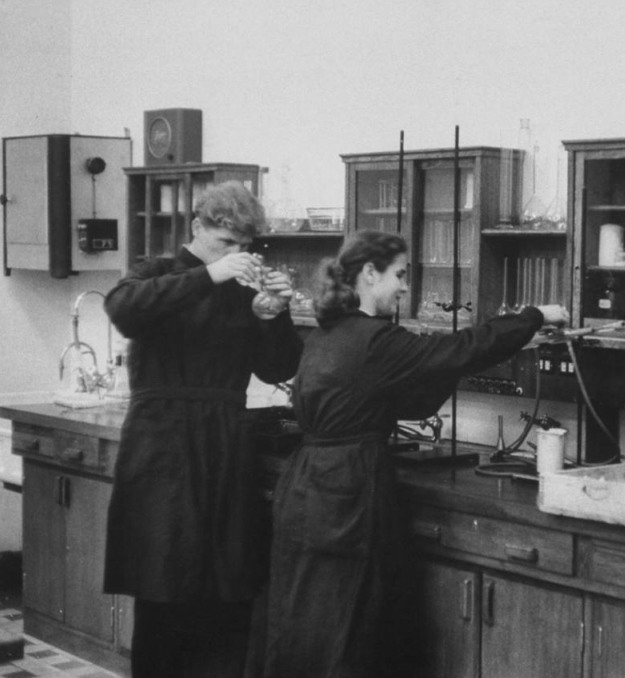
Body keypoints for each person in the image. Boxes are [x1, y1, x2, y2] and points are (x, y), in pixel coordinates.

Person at [262, 230, 568, 678]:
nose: (405, 287)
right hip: (350, 491)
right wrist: (533, 316)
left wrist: (448, 363)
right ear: (369, 273)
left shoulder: (328, 333)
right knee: (353, 624)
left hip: (305, 485)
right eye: (400, 275)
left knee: (307, 623)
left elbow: (410, 396)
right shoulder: (376, 340)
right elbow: (460, 349)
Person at [103, 180, 303, 678]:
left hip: (224, 441)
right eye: (225, 242)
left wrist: (273, 317)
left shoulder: (242, 290)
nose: (237, 255)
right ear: (197, 227)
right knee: (164, 584)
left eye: (243, 246)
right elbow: (123, 310)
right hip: (163, 443)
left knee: (227, 583)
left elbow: (278, 369)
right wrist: (210, 274)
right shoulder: (158, 271)